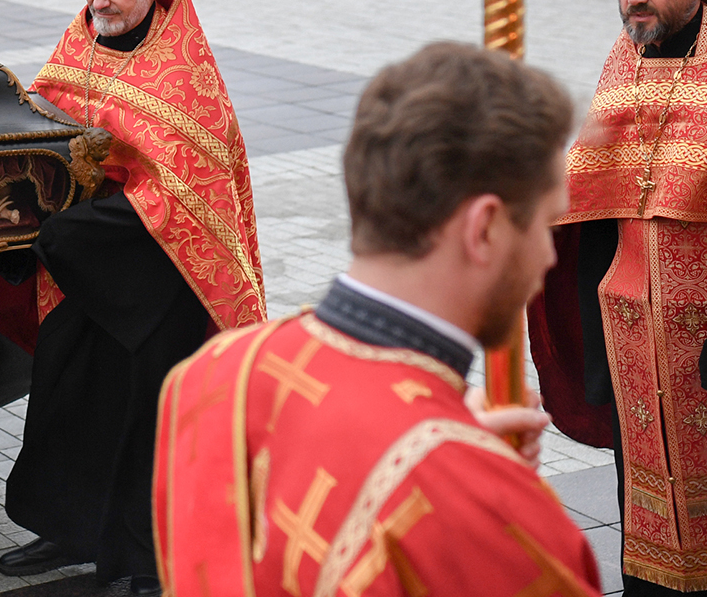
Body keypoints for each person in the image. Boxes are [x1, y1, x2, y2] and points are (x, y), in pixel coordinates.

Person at [154, 42, 603, 596]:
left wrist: (454, 441)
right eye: (545, 224)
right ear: (484, 228)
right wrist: (480, 477)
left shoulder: (208, 376)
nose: (550, 256)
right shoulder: (486, 508)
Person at [0, 0, 266, 595]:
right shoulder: (82, 38)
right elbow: (43, 118)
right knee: (65, 394)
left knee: (148, 418)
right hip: (88, 273)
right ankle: (65, 527)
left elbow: (186, 199)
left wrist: (65, 234)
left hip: (161, 285)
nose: (99, 1)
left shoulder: (184, 75)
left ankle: (147, 559)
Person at [529, 0, 707, 595]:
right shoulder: (622, 60)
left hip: (702, 345)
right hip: (632, 338)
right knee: (646, 502)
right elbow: (590, 203)